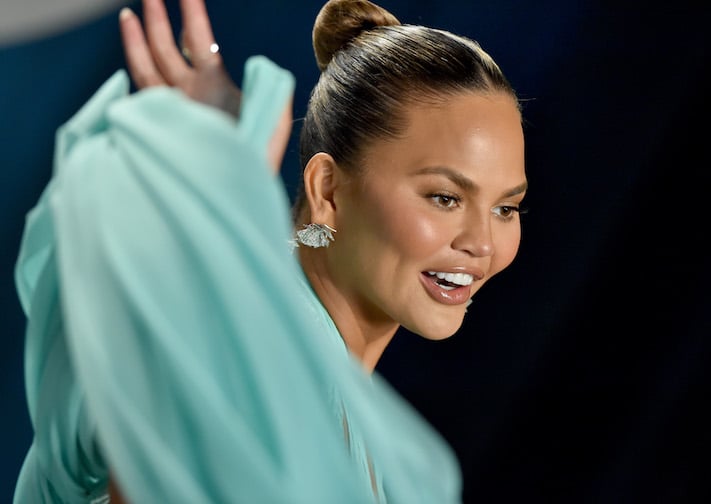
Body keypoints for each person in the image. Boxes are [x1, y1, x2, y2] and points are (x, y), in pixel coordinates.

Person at [13, 0, 527, 502]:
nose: (482, 243)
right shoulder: (260, 365)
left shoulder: (317, 382)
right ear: (328, 191)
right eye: (445, 198)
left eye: (506, 208)